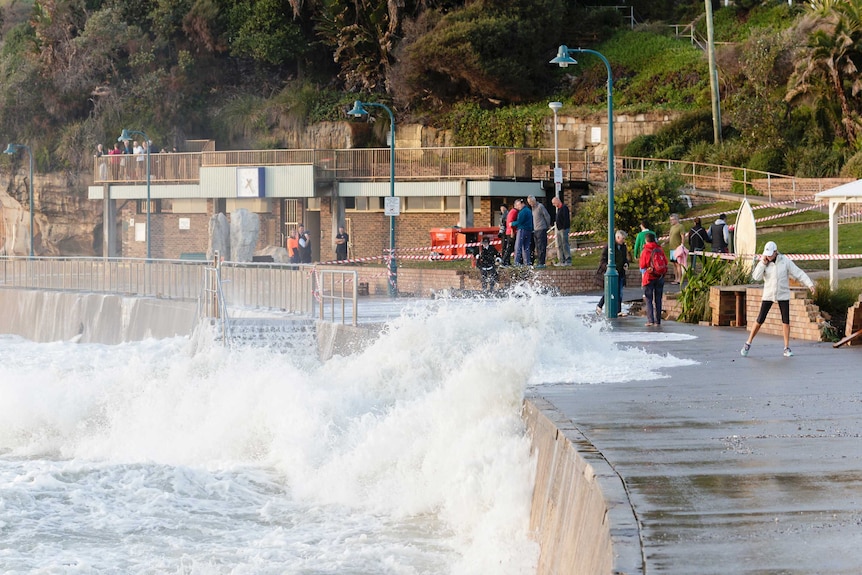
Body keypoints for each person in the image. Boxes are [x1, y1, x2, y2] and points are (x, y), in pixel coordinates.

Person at [741, 241, 815, 358]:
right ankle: (748, 342)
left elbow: (798, 273)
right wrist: (762, 264)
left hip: (783, 294)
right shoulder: (764, 262)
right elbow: (756, 277)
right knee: (760, 319)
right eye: (767, 254)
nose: (769, 256)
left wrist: (809, 284)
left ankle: (786, 347)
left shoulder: (784, 261)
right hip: (769, 294)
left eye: (771, 254)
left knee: (786, 321)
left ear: (776, 252)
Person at [596, 230, 629, 315]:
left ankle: (618, 310)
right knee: (609, 290)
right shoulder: (609, 246)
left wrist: (626, 264)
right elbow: (602, 259)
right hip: (611, 272)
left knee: (619, 292)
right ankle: (600, 306)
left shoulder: (623, 247)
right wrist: (608, 267)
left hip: (620, 273)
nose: (623, 240)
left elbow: (625, 258)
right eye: (622, 239)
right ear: (617, 237)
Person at [639, 232, 666, 327]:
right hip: (659, 277)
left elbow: (642, 265)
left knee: (649, 299)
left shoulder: (645, 251)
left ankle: (650, 320)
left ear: (646, 240)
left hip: (649, 277)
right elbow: (665, 262)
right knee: (658, 299)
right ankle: (658, 321)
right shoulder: (659, 249)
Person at [528, 196, 551, 268]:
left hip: (541, 228)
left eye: (531, 202)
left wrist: (547, 226)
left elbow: (547, 216)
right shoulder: (532, 208)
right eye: (529, 203)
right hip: (535, 230)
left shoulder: (540, 206)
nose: (530, 204)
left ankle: (542, 262)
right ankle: (539, 261)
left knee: (541, 246)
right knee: (537, 247)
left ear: (534, 201)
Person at [512, 199, 533, 266]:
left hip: (522, 230)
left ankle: (516, 263)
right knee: (526, 247)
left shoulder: (522, 212)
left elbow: (520, 221)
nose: (518, 207)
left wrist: (512, 223)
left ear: (522, 203)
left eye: (518, 205)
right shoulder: (529, 211)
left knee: (518, 246)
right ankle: (527, 263)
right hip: (529, 230)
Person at [552, 196, 571, 266]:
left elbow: (566, 219)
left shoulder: (564, 208)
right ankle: (561, 260)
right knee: (559, 245)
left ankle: (568, 260)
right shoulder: (559, 209)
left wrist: (563, 227)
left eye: (554, 203)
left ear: (557, 201)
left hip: (563, 229)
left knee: (564, 244)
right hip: (559, 229)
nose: (554, 205)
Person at [667, 213, 686, 284]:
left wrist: (682, 245)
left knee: (678, 264)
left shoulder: (680, 226)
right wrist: (665, 243)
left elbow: (683, 236)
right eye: (670, 220)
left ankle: (679, 279)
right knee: (674, 264)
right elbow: (670, 237)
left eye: (672, 220)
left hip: (677, 248)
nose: (671, 221)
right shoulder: (672, 227)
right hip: (671, 248)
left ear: (676, 219)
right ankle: (676, 278)